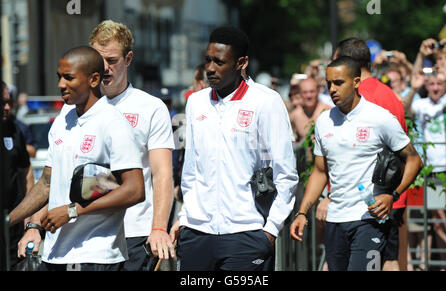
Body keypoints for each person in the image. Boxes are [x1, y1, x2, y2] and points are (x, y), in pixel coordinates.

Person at [8, 46, 145, 271]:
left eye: (68, 77)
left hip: (97, 257)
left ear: (93, 79)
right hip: (54, 255)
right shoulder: (63, 120)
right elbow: (46, 183)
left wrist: (73, 210)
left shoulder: (114, 123)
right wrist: (9, 220)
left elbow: (135, 190)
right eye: (59, 77)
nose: (61, 84)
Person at [173, 26, 298, 271]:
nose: (210, 68)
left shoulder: (266, 102)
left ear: (241, 62)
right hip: (198, 234)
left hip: (247, 234)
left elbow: (286, 173)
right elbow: (190, 170)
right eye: (207, 60)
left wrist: (270, 230)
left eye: (219, 62)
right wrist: (186, 219)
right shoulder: (196, 103)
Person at [290, 56, 423, 271]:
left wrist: (393, 195)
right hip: (335, 220)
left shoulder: (379, 118)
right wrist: (303, 212)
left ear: (356, 82)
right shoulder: (324, 121)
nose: (332, 89)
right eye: (329, 83)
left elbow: (414, 160)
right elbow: (319, 171)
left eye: (339, 82)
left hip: (368, 221)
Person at [317, 38, 410, 271]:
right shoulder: (390, 95)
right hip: (388, 199)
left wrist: (330, 195)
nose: (332, 88)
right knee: (389, 260)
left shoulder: (362, 99)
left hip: (371, 204)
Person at [89, 20, 175, 270]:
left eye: (112, 60)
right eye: (98, 59)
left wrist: (159, 227)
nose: (104, 67)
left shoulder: (151, 108)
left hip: (135, 232)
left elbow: (162, 174)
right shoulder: (75, 109)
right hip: (87, 234)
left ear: (128, 59)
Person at [406, 68, 446, 270]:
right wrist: (413, 90)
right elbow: (405, 111)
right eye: (431, 84)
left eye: (439, 84)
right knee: (437, 222)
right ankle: (441, 266)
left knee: (445, 221)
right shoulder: (420, 104)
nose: (435, 88)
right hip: (431, 171)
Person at [1, 81, 34, 270]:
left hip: (13, 220)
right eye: (2, 102)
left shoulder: (15, 131)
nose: (7, 107)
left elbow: (26, 173)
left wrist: (28, 215)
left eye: (9, 102)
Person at [290, 78, 332, 142]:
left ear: (318, 91)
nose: (309, 96)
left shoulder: (329, 111)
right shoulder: (295, 115)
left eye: (312, 91)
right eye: (305, 92)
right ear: (300, 93)